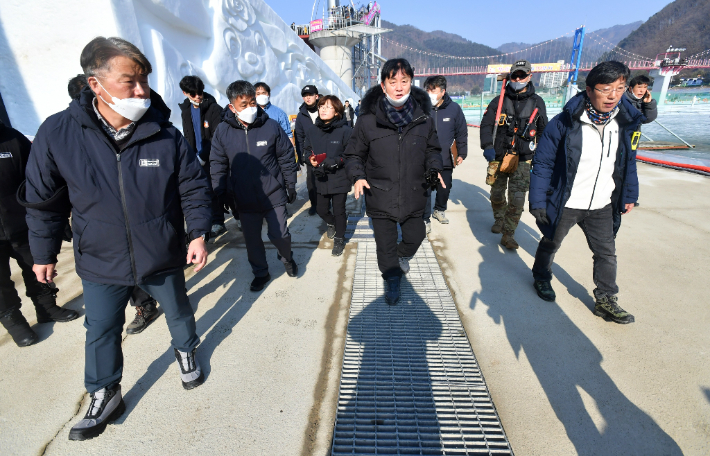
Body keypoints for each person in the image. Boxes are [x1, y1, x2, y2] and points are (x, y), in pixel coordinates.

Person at [24, 37, 212, 440]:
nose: (142, 90)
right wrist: (42, 253)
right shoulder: (58, 133)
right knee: (101, 328)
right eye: (130, 82)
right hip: (99, 256)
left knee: (178, 311)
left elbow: (193, 187)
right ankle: (105, 390)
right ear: (96, 84)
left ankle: (186, 350)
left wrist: (197, 233)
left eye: (144, 80)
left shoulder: (163, 133)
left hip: (160, 249)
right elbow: (44, 202)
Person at [529, 61, 642, 324]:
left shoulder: (625, 123)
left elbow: (628, 161)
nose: (613, 96)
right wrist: (537, 201)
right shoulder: (564, 124)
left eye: (619, 89)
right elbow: (543, 163)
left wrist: (629, 195)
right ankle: (541, 277)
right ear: (589, 90)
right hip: (567, 201)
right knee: (551, 242)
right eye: (605, 89)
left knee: (606, 253)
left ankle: (606, 299)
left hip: (602, 202)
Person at [67, 74, 161, 335]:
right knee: (103, 320)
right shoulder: (70, 135)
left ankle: (147, 303)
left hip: (142, 223)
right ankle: (141, 305)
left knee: (143, 264)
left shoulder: (141, 123)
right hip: (100, 231)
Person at [345, 58, 444, 305]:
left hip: (414, 193)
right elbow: (354, 153)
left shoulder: (424, 118)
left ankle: (402, 256)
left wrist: (434, 167)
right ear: (383, 85)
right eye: (393, 82)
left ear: (411, 83)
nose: (399, 87)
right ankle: (391, 279)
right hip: (380, 193)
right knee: (384, 245)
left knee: (416, 235)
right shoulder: (367, 120)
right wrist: (357, 176)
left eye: (404, 81)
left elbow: (433, 149)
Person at [211, 81, 299, 291]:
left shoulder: (270, 126)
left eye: (253, 102)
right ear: (232, 106)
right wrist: (220, 193)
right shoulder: (223, 131)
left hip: (273, 192)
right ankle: (261, 272)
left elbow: (286, 156)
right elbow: (217, 164)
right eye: (244, 104)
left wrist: (291, 184)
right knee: (252, 241)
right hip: (243, 197)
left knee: (281, 236)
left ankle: (286, 257)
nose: (251, 107)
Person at [0, 119, 79, 347]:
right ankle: (14, 321)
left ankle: (46, 308)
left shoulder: (13, 139)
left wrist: (56, 215)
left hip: (22, 222)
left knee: (38, 267)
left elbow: (38, 181)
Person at [480, 60, 548, 250]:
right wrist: (487, 146)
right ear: (510, 77)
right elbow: (486, 125)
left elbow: (544, 131)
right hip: (499, 156)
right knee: (496, 194)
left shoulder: (537, 102)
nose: (518, 79)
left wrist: (541, 155)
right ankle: (499, 219)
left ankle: (508, 234)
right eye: (515, 76)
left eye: (522, 75)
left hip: (524, 159)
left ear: (529, 76)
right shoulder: (499, 100)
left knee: (517, 199)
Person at [178, 75, 227, 239]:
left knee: (217, 189)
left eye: (200, 92)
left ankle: (219, 222)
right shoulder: (185, 109)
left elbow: (217, 136)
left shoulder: (213, 108)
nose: (198, 96)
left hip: (213, 156)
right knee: (201, 191)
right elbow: (188, 135)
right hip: (195, 157)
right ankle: (206, 223)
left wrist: (204, 156)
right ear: (185, 93)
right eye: (193, 94)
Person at [304, 95, 353, 256]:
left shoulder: (346, 131)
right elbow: (306, 150)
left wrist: (337, 161)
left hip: (339, 177)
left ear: (337, 112)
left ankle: (339, 239)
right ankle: (331, 223)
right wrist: (309, 159)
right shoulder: (312, 130)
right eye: (321, 106)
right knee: (321, 209)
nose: (323, 110)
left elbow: (351, 154)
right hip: (320, 177)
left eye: (328, 107)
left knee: (339, 210)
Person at [422, 75, 468, 233]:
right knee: (425, 189)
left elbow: (461, 132)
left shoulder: (454, 109)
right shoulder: (421, 107)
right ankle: (424, 218)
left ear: (443, 91)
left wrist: (462, 152)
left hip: (445, 158)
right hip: (424, 158)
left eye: (432, 90)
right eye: (427, 89)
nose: (429, 93)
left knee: (444, 187)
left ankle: (439, 209)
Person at [294, 85, 320, 215]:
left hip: (326, 151)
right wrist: (301, 155)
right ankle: (314, 204)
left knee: (327, 177)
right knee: (311, 180)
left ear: (317, 95)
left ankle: (327, 202)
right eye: (305, 95)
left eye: (310, 94)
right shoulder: (301, 115)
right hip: (311, 153)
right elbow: (299, 136)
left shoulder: (324, 109)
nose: (307, 98)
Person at [255, 81, 296, 148]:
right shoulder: (251, 113)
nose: (261, 96)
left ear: (268, 94)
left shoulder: (279, 113)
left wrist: (291, 154)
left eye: (263, 93)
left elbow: (288, 135)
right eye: (258, 93)